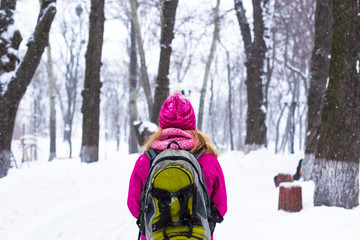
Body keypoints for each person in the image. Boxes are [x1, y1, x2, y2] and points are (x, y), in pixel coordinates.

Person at [127, 92, 227, 240]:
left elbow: (134, 206)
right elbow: (220, 207)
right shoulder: (208, 160)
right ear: (192, 126)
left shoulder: (145, 161)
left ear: (162, 126)